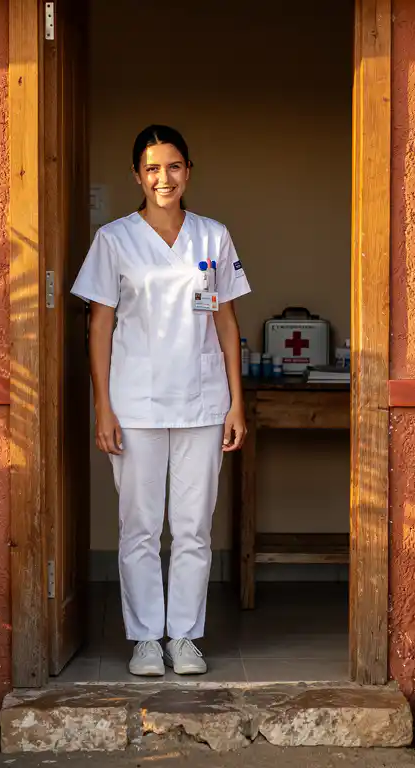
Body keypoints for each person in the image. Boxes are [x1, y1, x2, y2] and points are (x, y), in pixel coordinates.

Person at [71, 125, 251, 676]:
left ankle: (185, 637)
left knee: (195, 525)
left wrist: (236, 403)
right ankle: (147, 638)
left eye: (173, 167)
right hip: (136, 404)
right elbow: (99, 328)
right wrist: (103, 405)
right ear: (138, 177)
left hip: (201, 400)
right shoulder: (114, 239)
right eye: (152, 168)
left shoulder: (212, 237)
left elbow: (226, 321)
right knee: (140, 525)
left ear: (188, 172)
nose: (163, 178)